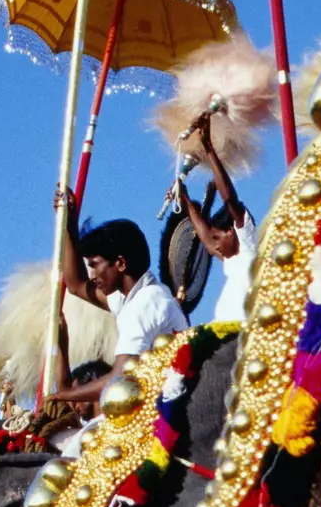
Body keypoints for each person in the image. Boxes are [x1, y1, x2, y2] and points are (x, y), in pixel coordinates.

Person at [47, 188, 188, 408]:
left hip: (170, 408)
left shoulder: (145, 303)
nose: (92, 276)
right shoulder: (129, 297)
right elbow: (75, 285)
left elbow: (120, 376)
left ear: (121, 264)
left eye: (94, 265)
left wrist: (62, 395)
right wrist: (67, 223)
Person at [174, 114, 258, 325]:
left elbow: (229, 198)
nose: (215, 246)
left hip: (242, 329)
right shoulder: (230, 257)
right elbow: (205, 237)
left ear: (232, 231)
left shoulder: (248, 242)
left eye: (217, 237)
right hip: (222, 329)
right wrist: (183, 197)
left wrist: (208, 148)